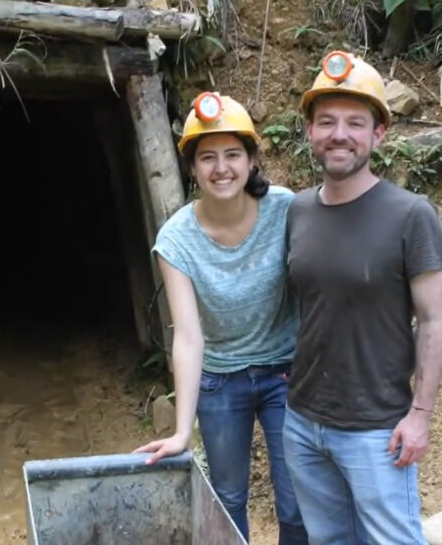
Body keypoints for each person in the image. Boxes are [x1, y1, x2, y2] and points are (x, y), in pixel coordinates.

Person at [282, 50, 442, 545]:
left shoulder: (411, 215)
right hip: (302, 419)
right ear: (310, 131)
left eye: (355, 123)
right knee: (328, 539)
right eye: (327, 121)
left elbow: (434, 319)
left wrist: (420, 415)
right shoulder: (298, 210)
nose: (340, 134)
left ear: (378, 134)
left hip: (376, 427)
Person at [133, 91, 308, 545]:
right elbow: (188, 336)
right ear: (192, 168)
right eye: (207, 157)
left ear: (252, 159)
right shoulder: (177, 238)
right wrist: (181, 431)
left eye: (232, 154)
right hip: (220, 380)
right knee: (227, 499)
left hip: (285, 371)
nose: (221, 167)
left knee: (297, 501)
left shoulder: (287, 210)